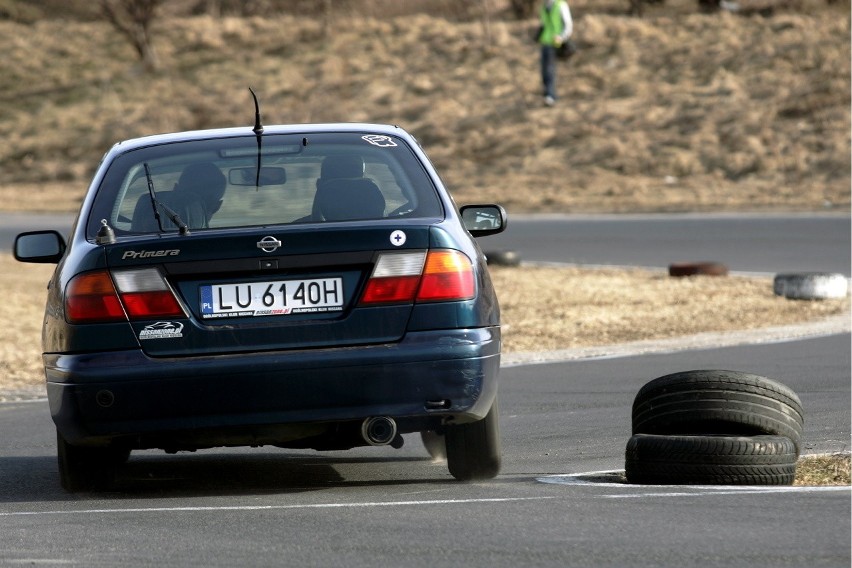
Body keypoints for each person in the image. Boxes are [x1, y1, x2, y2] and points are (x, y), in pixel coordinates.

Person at [538, 0, 573, 107]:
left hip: (555, 43)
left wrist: (562, 37)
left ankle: (550, 95)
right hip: (545, 42)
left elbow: (568, 25)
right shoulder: (544, 6)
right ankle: (547, 93)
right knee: (544, 70)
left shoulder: (560, 5)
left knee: (549, 69)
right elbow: (544, 24)